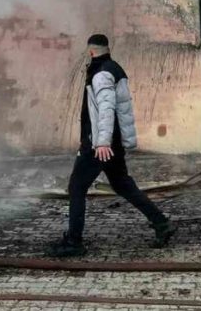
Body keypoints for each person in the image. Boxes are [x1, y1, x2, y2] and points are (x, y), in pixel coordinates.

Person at [47, 34, 175, 257]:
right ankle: (162, 223)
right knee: (123, 185)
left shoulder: (101, 74)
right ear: (107, 49)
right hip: (111, 142)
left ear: (90, 52)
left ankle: (74, 243)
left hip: (99, 144)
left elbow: (106, 109)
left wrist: (102, 143)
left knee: (76, 188)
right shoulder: (114, 68)